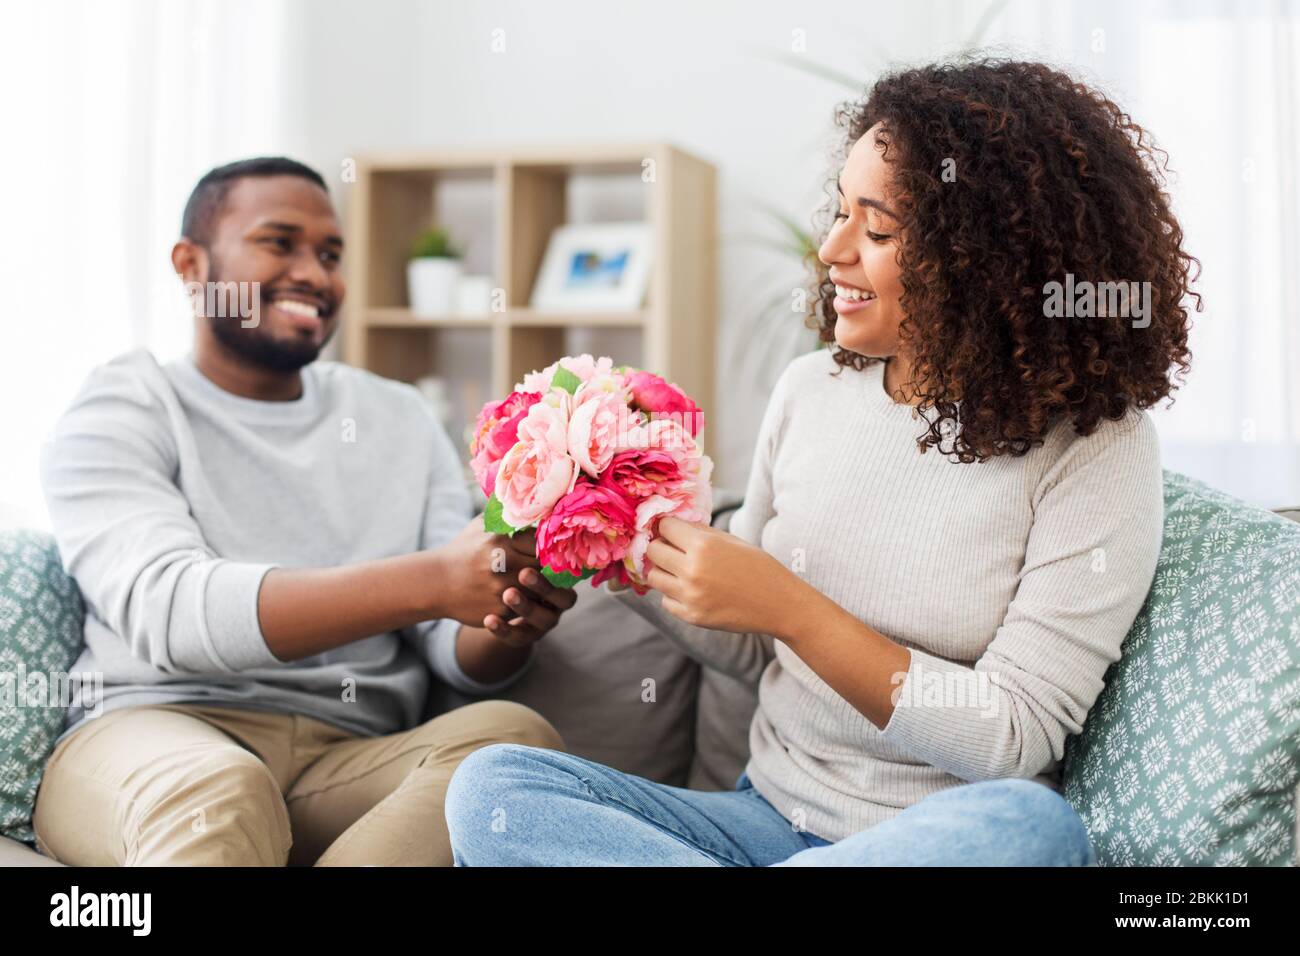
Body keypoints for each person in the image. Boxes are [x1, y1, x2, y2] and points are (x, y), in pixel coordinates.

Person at [444, 58, 1197, 866]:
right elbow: (751, 644)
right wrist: (607, 525)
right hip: (757, 825)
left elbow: (1013, 734)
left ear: (989, 261)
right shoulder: (810, 391)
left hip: (927, 843)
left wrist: (793, 606)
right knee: (494, 788)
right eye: (839, 212)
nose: (831, 249)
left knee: (1029, 830)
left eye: (877, 230)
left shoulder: (1095, 446)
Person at [35, 157, 575, 866]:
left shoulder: (398, 417)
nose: (315, 275)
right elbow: (172, 614)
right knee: (222, 792)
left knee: (514, 741)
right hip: (155, 730)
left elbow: (453, 651)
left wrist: (508, 611)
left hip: (344, 756)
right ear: (191, 264)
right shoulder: (124, 406)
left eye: (330, 254)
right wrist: (438, 580)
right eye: (278, 242)